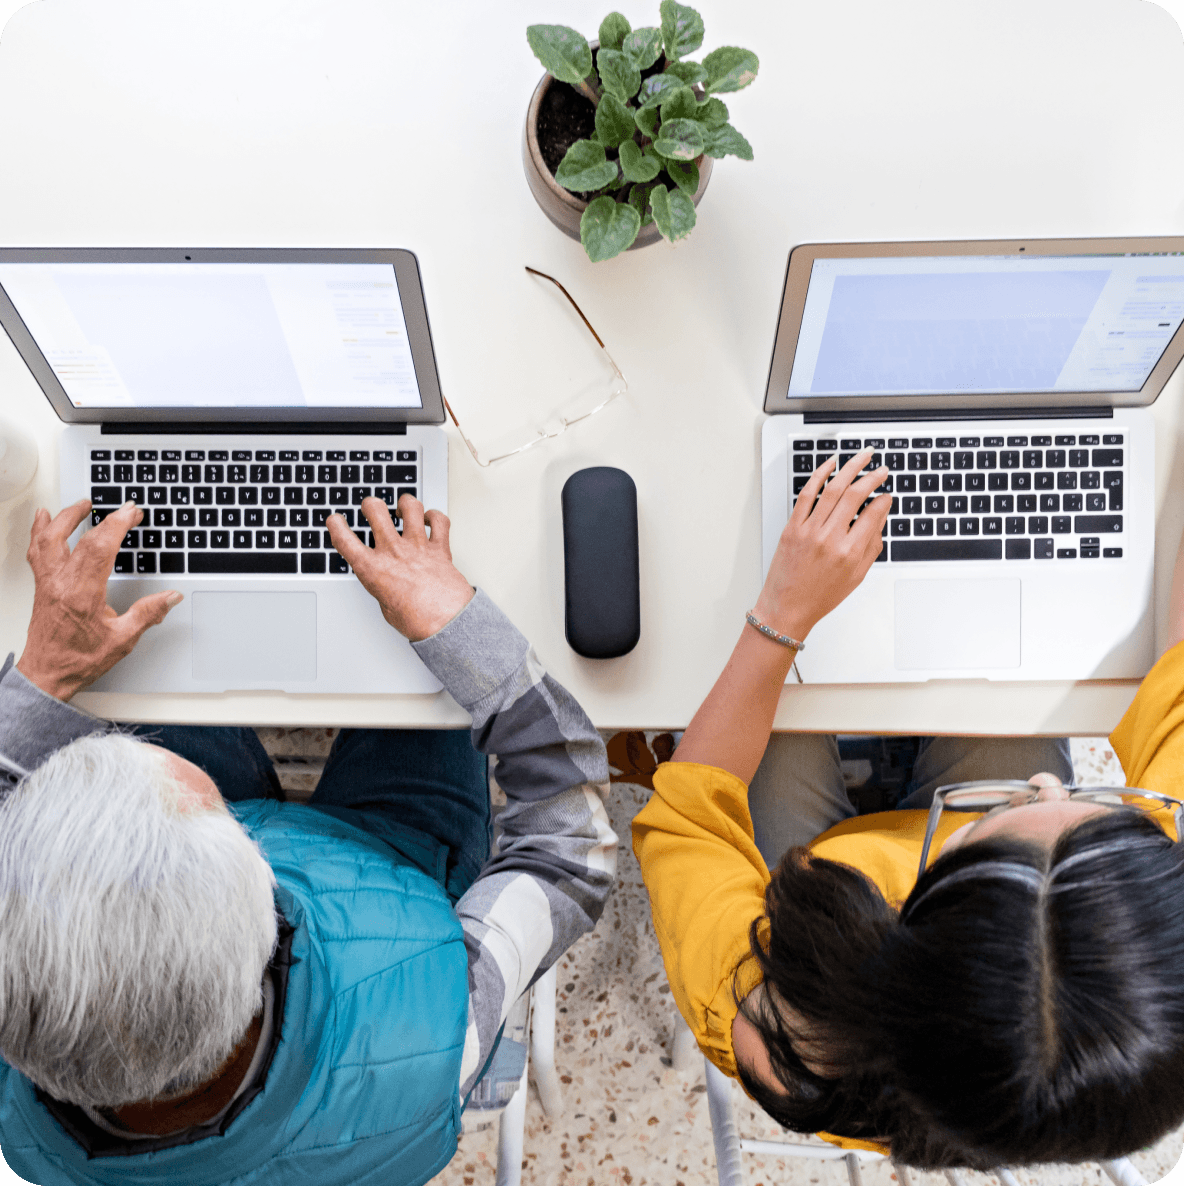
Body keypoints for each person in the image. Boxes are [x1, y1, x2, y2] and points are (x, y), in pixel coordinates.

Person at [0, 492, 617, 1186]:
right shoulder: (437, 1026)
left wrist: (44, 678)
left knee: (138, 677)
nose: (135, 751)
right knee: (425, 681)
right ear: (264, 891)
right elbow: (571, 844)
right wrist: (463, 634)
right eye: (213, 812)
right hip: (397, 861)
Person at [633, 448, 1184, 1170]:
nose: (1052, 787)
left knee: (759, 695)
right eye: (1094, 813)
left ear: (917, 919)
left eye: (1016, 815)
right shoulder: (1149, 930)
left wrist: (782, 615)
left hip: (812, 877)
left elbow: (688, 816)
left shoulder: (777, 1020)